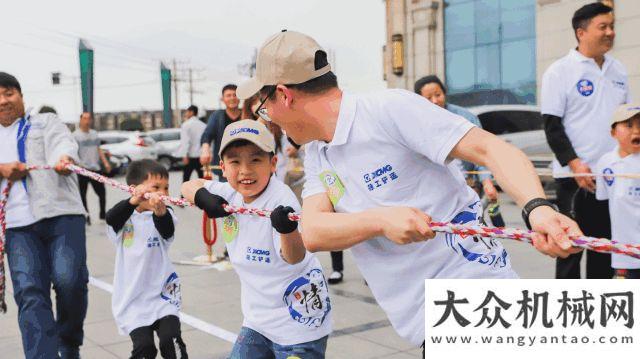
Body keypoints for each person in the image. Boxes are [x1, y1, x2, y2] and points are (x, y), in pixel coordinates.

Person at [236, 30, 582, 352]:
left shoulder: (388, 110)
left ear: (284, 94)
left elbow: (491, 150)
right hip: (429, 324)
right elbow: (313, 230)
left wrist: (538, 209)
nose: (269, 119)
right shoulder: (318, 152)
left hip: (476, 299)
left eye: (264, 108)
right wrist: (380, 220)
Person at [182, 120, 331, 358]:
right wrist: (202, 197)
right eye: (235, 161)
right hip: (258, 320)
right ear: (222, 166)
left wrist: (287, 230)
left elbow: (294, 257)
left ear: (273, 163)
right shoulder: (230, 193)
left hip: (298, 323)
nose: (245, 170)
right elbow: (188, 185)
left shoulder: (279, 200)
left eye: (255, 159)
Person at [0, 72, 88, 359]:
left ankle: (69, 341)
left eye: (9, 93)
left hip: (60, 214)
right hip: (16, 228)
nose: (3, 101)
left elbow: (64, 143)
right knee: (30, 294)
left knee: (69, 281)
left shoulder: (45, 122)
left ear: (21, 96)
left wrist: (64, 160)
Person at [541, 2, 630, 279]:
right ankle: (568, 317)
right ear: (581, 32)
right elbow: (552, 126)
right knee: (570, 250)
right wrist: (575, 164)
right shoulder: (560, 71)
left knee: (602, 250)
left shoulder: (619, 71)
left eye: (612, 26)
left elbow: (624, 125)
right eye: (602, 27)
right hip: (574, 179)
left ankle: (597, 314)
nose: (610, 32)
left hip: (609, 178)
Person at [105, 159, 187, 359]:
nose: (163, 193)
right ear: (136, 189)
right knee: (145, 349)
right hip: (133, 299)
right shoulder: (124, 220)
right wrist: (133, 201)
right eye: (156, 187)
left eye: (166, 188)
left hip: (164, 295)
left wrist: (160, 213)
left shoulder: (166, 214)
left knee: (171, 339)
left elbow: (167, 230)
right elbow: (111, 217)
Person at [414, 75, 498, 202]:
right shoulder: (416, 124)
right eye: (428, 98)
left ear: (444, 93)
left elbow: (481, 151)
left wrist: (487, 182)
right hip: (434, 190)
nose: (435, 101)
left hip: (467, 186)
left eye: (438, 95)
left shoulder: (465, 117)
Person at [595, 104, 640, 279]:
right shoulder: (605, 163)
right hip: (624, 254)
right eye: (628, 125)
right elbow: (605, 199)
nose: (636, 131)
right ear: (613, 132)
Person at [73, 112, 111, 225]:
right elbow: (73, 152)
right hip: (83, 169)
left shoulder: (94, 134)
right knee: (82, 195)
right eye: (85, 118)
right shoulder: (75, 136)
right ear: (80, 120)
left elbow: (99, 149)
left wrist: (105, 163)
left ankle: (103, 214)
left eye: (89, 118)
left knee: (102, 193)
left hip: (96, 169)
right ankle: (86, 216)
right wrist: (77, 166)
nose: (87, 121)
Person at [200, 84, 241, 182]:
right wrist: (205, 149)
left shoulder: (247, 114)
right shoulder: (217, 116)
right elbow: (207, 135)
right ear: (222, 99)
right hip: (225, 165)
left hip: (246, 163)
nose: (232, 98)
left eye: (235, 95)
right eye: (228, 95)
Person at [177, 105, 206, 183]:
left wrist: (184, 155)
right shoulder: (203, 125)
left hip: (190, 156)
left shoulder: (186, 125)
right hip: (201, 156)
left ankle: (184, 195)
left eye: (187, 112)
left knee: (186, 178)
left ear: (191, 112)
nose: (186, 114)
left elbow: (185, 142)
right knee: (202, 179)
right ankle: (203, 195)